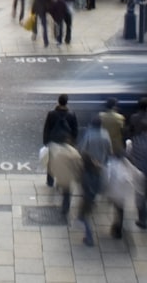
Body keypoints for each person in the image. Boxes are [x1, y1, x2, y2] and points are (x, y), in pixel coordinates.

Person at [78, 116, 112, 247]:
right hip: (100, 166)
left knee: (87, 189)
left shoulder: (89, 134)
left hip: (89, 165)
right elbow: (109, 151)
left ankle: (88, 205)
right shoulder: (105, 134)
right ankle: (91, 200)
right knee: (95, 186)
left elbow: (82, 149)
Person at [43, 94, 78, 188]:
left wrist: (46, 141)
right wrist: (73, 141)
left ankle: (50, 181)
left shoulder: (51, 113)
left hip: (54, 141)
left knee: (51, 161)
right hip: (66, 141)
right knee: (64, 162)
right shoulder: (71, 114)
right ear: (67, 102)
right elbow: (75, 129)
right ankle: (61, 180)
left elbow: (47, 128)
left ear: (58, 101)